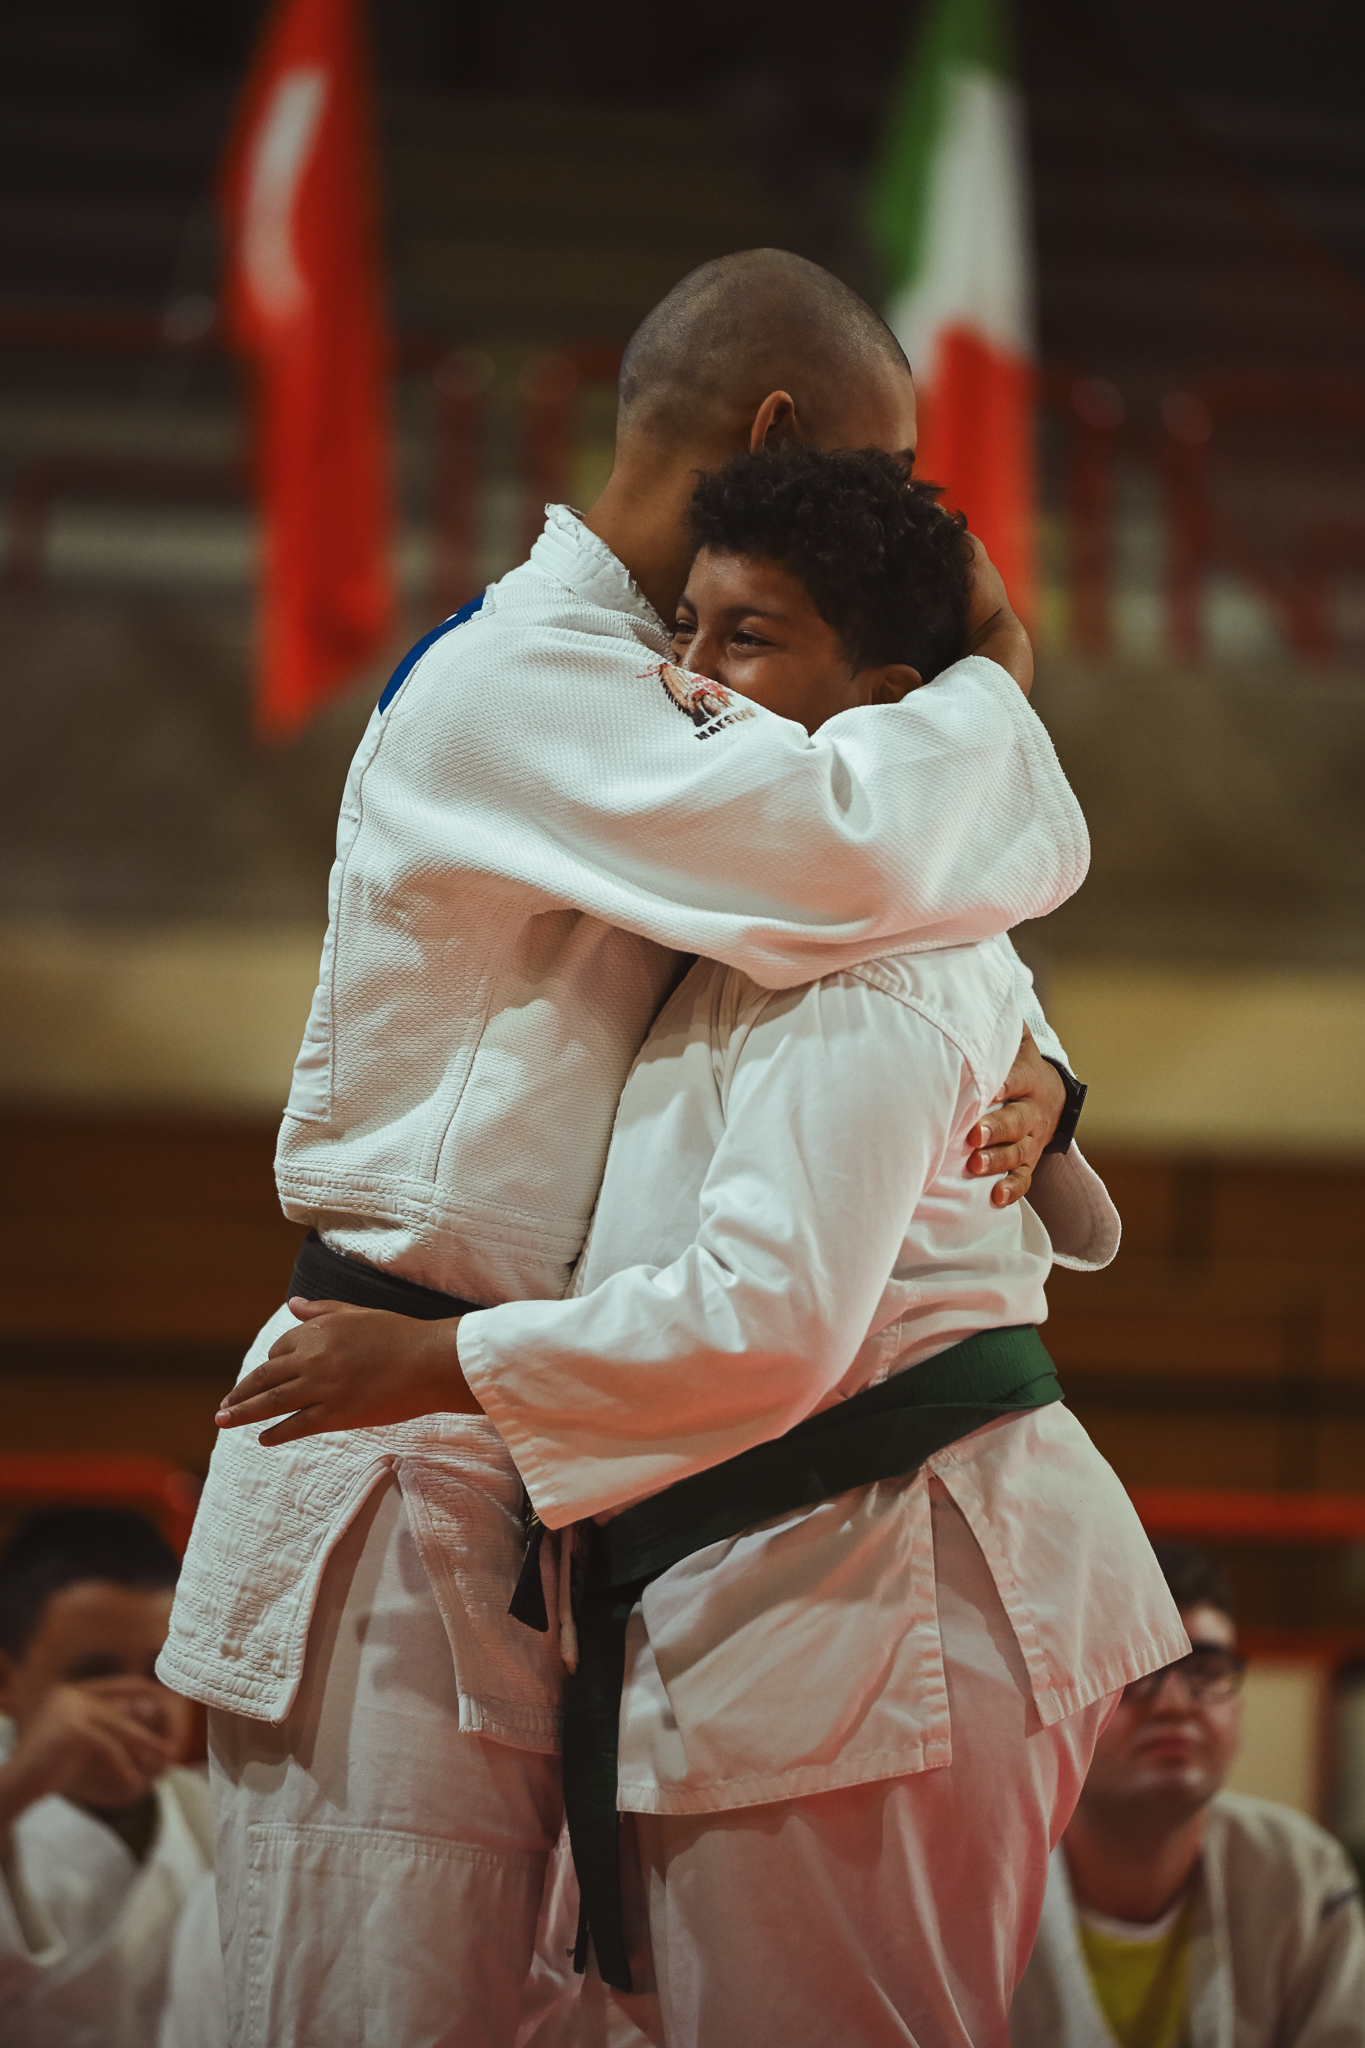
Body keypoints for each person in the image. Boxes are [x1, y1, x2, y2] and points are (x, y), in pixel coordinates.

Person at [163, 247, 1112, 2048]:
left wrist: (1043, 1061)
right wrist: (996, 668)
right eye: (875, 471)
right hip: (399, 1446)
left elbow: (866, 916)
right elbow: (853, 856)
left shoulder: (678, 699)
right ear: (775, 437)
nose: (887, 518)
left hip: (558, 1462)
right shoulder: (532, 680)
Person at [1010, 1540, 1365, 2048]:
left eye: (1205, 1669)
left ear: (1239, 1706)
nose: (1174, 1703)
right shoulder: (983, 1891)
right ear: (1064, 1706)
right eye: (1135, 1670)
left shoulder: (1302, 1877)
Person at [0, 1507, 221, 2048]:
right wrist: (20, 1784)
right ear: (5, 1681)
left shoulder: (212, 1810)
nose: (138, 1704)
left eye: (161, 1672)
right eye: (93, 1674)